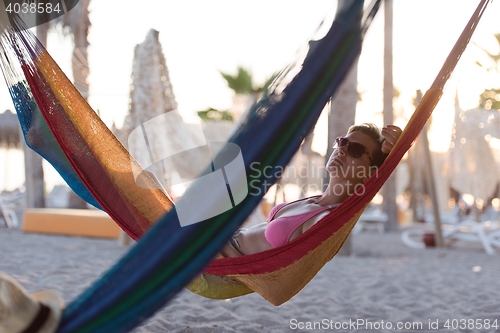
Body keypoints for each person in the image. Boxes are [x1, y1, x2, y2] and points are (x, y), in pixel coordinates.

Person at [220, 123, 402, 257]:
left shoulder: (327, 219)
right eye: (342, 142)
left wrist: (394, 156)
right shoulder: (313, 200)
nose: (341, 151)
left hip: (221, 255)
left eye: (355, 150)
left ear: (369, 174)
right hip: (221, 242)